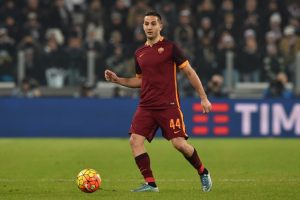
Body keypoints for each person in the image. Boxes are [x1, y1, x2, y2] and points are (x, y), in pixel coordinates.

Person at [104, 11, 212, 193]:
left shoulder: (170, 48)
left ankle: (203, 171)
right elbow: (140, 80)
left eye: (153, 24)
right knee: (134, 141)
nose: (149, 27)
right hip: (146, 106)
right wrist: (118, 80)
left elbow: (189, 72)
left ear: (160, 26)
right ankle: (150, 183)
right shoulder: (139, 53)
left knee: (179, 144)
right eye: (146, 24)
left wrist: (203, 97)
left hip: (168, 105)